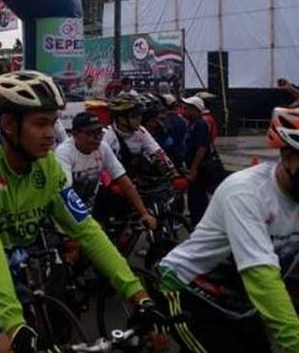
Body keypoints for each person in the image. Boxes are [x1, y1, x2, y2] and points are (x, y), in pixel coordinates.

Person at [0, 71, 159, 353]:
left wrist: (136, 293)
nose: (51, 134)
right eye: (40, 124)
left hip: (10, 274)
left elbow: (85, 229)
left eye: (52, 123)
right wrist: (14, 325)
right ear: (9, 124)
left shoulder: (47, 166)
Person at [157, 106, 299, 353]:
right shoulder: (246, 191)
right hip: (189, 289)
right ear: (286, 155)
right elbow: (261, 275)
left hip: (240, 299)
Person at [55, 112, 156, 228]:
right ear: (75, 134)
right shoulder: (63, 153)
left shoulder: (102, 147)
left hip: (92, 203)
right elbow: (65, 195)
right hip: (66, 206)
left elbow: (124, 180)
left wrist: (144, 214)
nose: (96, 138)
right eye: (90, 133)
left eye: (99, 133)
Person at [103, 94, 186, 192]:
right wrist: (110, 183)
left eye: (140, 115)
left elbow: (157, 153)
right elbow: (101, 165)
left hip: (135, 182)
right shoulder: (107, 135)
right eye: (135, 116)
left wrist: (174, 174)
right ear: (121, 118)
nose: (139, 119)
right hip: (114, 185)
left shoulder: (141, 132)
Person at [181, 96, 221, 225]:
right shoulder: (193, 123)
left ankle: (199, 223)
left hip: (201, 168)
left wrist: (193, 169)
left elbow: (201, 148)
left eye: (187, 108)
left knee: (198, 197)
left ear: (195, 110)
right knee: (195, 197)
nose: (183, 110)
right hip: (196, 167)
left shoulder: (200, 124)